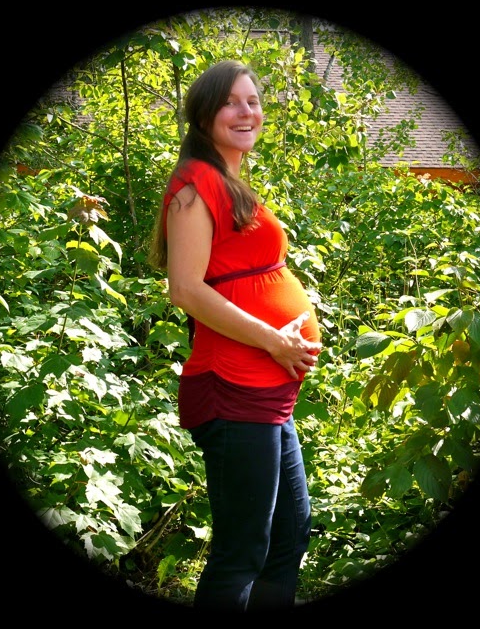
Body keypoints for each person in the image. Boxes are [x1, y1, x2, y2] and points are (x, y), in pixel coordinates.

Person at [148, 59, 322, 613]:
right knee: (242, 552)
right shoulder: (195, 186)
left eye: (253, 101)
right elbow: (185, 289)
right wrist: (273, 340)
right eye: (230, 102)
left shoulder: (227, 181)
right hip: (233, 388)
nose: (246, 112)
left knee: (289, 536)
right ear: (204, 116)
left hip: (266, 394)